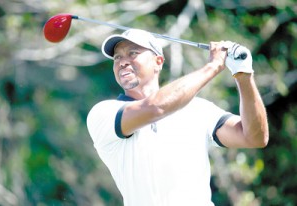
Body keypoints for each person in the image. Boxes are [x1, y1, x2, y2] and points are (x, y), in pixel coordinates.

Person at [86, 29, 269, 206]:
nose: (122, 62)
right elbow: (156, 107)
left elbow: (254, 137)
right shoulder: (104, 113)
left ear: (158, 61)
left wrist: (243, 75)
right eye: (117, 57)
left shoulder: (198, 109)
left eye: (132, 53)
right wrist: (213, 66)